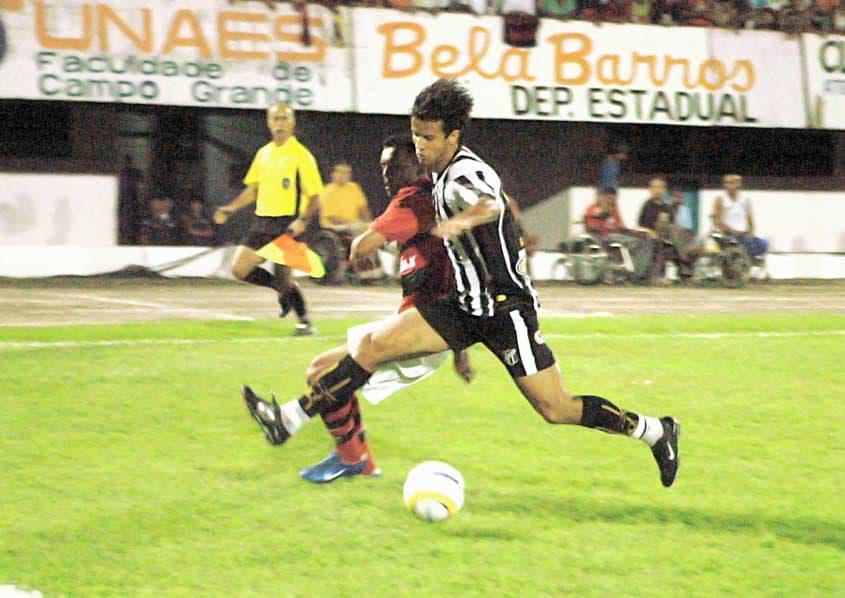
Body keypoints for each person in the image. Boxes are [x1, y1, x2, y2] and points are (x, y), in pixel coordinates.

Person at [242, 79, 681, 488]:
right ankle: (287, 420)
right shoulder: (434, 174)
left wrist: (461, 222)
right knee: (371, 347)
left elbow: (490, 203)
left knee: (556, 408)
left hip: (506, 310)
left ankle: (655, 430)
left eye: (428, 137)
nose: (420, 145)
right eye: (416, 135)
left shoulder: (466, 175)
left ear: (453, 137)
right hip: (461, 306)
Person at [243, 133, 471, 483]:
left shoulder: (415, 198)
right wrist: (461, 352)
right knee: (320, 369)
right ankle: (354, 461)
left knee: (334, 371)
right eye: (381, 166)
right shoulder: (434, 200)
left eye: (392, 165)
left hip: (422, 329)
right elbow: (457, 273)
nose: (385, 174)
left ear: (416, 163)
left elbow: (363, 246)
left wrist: (360, 244)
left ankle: (288, 421)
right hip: (421, 325)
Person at [213, 103, 323, 335]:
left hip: (288, 223)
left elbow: (314, 195)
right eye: (275, 119)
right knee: (239, 268)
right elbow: (253, 189)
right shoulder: (264, 153)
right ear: (269, 123)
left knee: (285, 277)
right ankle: (282, 292)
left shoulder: (301, 155)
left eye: (284, 119)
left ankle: (304, 322)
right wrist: (229, 209)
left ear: (292, 123)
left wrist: (302, 220)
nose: (280, 123)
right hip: (262, 222)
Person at [585, 187, 659, 284]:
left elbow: (621, 227)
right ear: (602, 197)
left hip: (617, 236)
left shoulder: (614, 210)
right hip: (603, 237)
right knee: (635, 243)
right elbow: (592, 225)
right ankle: (635, 275)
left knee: (646, 240)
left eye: (614, 199)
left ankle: (642, 273)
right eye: (609, 199)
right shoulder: (593, 208)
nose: (612, 201)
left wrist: (636, 233)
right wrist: (605, 213)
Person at [713, 174, 768, 259]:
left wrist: (751, 233)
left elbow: (751, 222)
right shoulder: (720, 200)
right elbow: (719, 222)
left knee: (764, 244)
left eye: (731, 183)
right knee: (735, 243)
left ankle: (745, 259)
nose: (728, 186)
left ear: (738, 184)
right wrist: (735, 232)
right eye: (726, 183)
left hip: (743, 236)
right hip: (728, 235)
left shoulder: (745, 201)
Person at [319, 161, 372, 236]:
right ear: (333, 174)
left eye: (347, 173)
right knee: (359, 228)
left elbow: (363, 209)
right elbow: (333, 218)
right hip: (334, 226)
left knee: (376, 227)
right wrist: (354, 223)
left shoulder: (354, 187)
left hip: (355, 224)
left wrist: (369, 223)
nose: (344, 175)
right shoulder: (327, 191)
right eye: (341, 172)